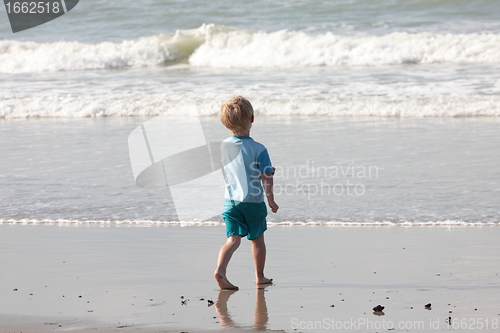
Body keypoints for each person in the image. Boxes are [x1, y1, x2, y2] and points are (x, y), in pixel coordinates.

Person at [214, 96, 279, 290]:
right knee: (257, 240)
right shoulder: (259, 148)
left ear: (225, 123)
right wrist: (271, 199)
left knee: (232, 240)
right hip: (253, 202)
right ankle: (260, 277)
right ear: (252, 119)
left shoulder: (224, 146)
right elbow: (266, 176)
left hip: (231, 202)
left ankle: (221, 270)